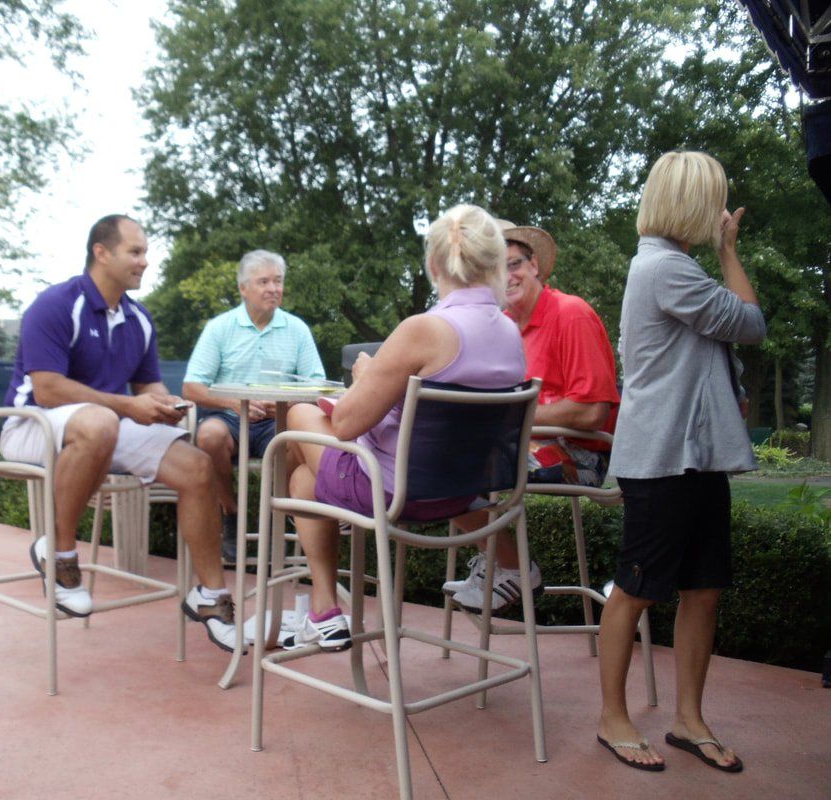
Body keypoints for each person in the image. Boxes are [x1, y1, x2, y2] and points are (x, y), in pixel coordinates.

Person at [282, 204, 526, 650]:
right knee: (304, 480)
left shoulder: (425, 329)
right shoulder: (510, 334)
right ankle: (324, 611)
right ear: (496, 263)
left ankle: (318, 570)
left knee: (298, 416)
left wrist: (365, 377)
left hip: (395, 493)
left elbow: (346, 424)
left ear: (433, 266)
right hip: (461, 492)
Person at [0, 214, 240, 652]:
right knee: (101, 422)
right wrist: (129, 406)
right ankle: (60, 554)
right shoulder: (55, 304)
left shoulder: (138, 318)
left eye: (145, 252)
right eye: (135, 251)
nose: (145, 261)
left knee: (197, 466)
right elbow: (47, 389)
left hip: (102, 430)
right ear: (102, 253)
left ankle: (211, 596)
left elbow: (146, 386)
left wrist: (164, 404)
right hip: (30, 425)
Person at [597, 151, 764, 771]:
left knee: (704, 589)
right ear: (693, 204)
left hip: (695, 455)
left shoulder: (669, 267)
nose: (720, 212)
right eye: (714, 200)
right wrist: (728, 250)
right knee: (635, 590)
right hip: (662, 458)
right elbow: (750, 323)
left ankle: (689, 721)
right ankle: (612, 718)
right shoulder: (666, 269)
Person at [443, 220, 620, 613]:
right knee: (430, 451)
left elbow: (593, 411)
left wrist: (510, 417)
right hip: (526, 443)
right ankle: (500, 564)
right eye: (494, 270)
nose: (506, 277)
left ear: (535, 265)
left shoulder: (570, 313)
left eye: (514, 264)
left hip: (583, 455)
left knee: (447, 462)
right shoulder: (503, 328)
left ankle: (513, 568)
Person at [182, 250, 326, 561]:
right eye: (264, 282)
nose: (274, 288)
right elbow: (191, 387)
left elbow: (317, 386)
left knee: (300, 440)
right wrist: (235, 403)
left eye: (278, 281)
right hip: (229, 417)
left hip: (277, 420)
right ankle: (231, 514)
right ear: (243, 288)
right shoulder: (220, 328)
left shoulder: (297, 329)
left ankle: (278, 515)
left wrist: (284, 405)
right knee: (209, 436)